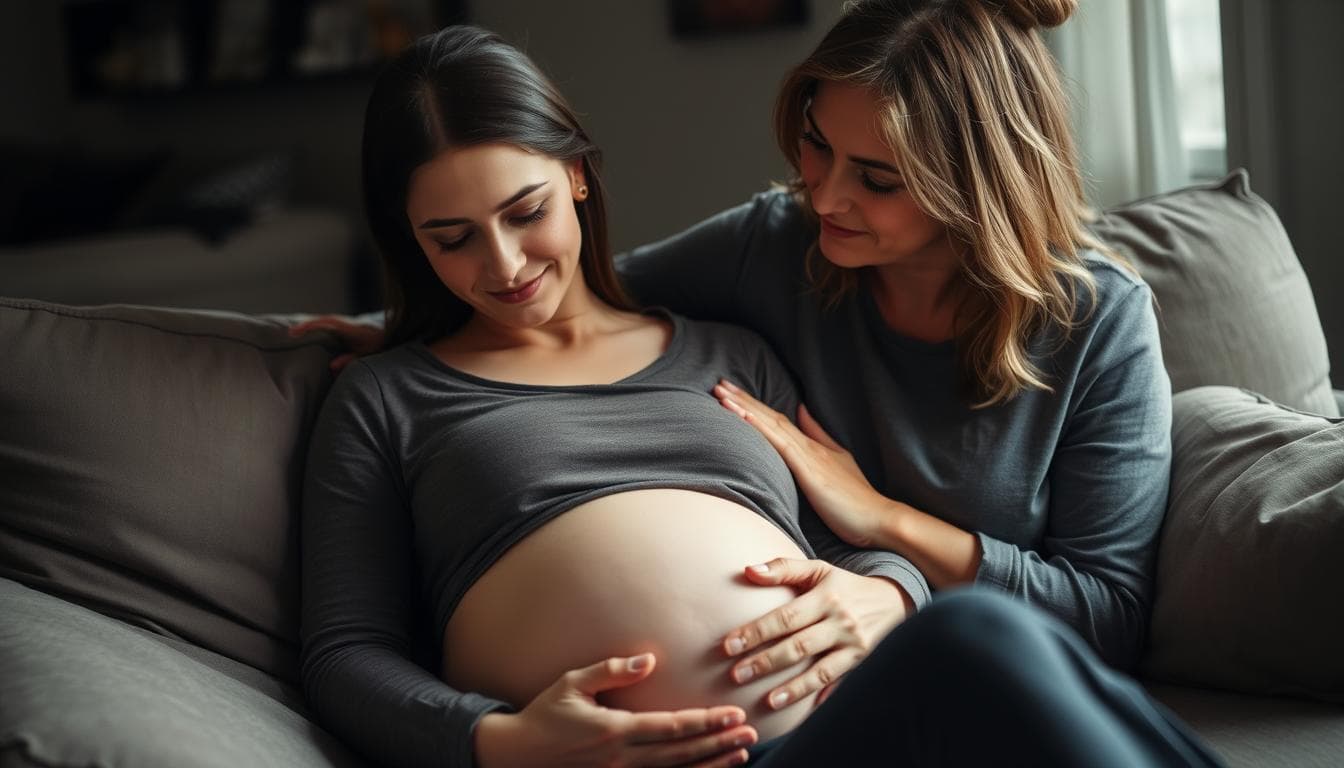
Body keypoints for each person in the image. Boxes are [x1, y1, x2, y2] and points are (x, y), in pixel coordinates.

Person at [297, 9, 1225, 768]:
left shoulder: (730, 353)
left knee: (978, 640)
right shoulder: (386, 399)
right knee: (978, 641)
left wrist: (895, 579)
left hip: (835, 734)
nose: (820, 199)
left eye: (876, 179)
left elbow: (839, 552)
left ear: (577, 176)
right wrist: (498, 743)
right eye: (451, 238)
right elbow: (343, 652)